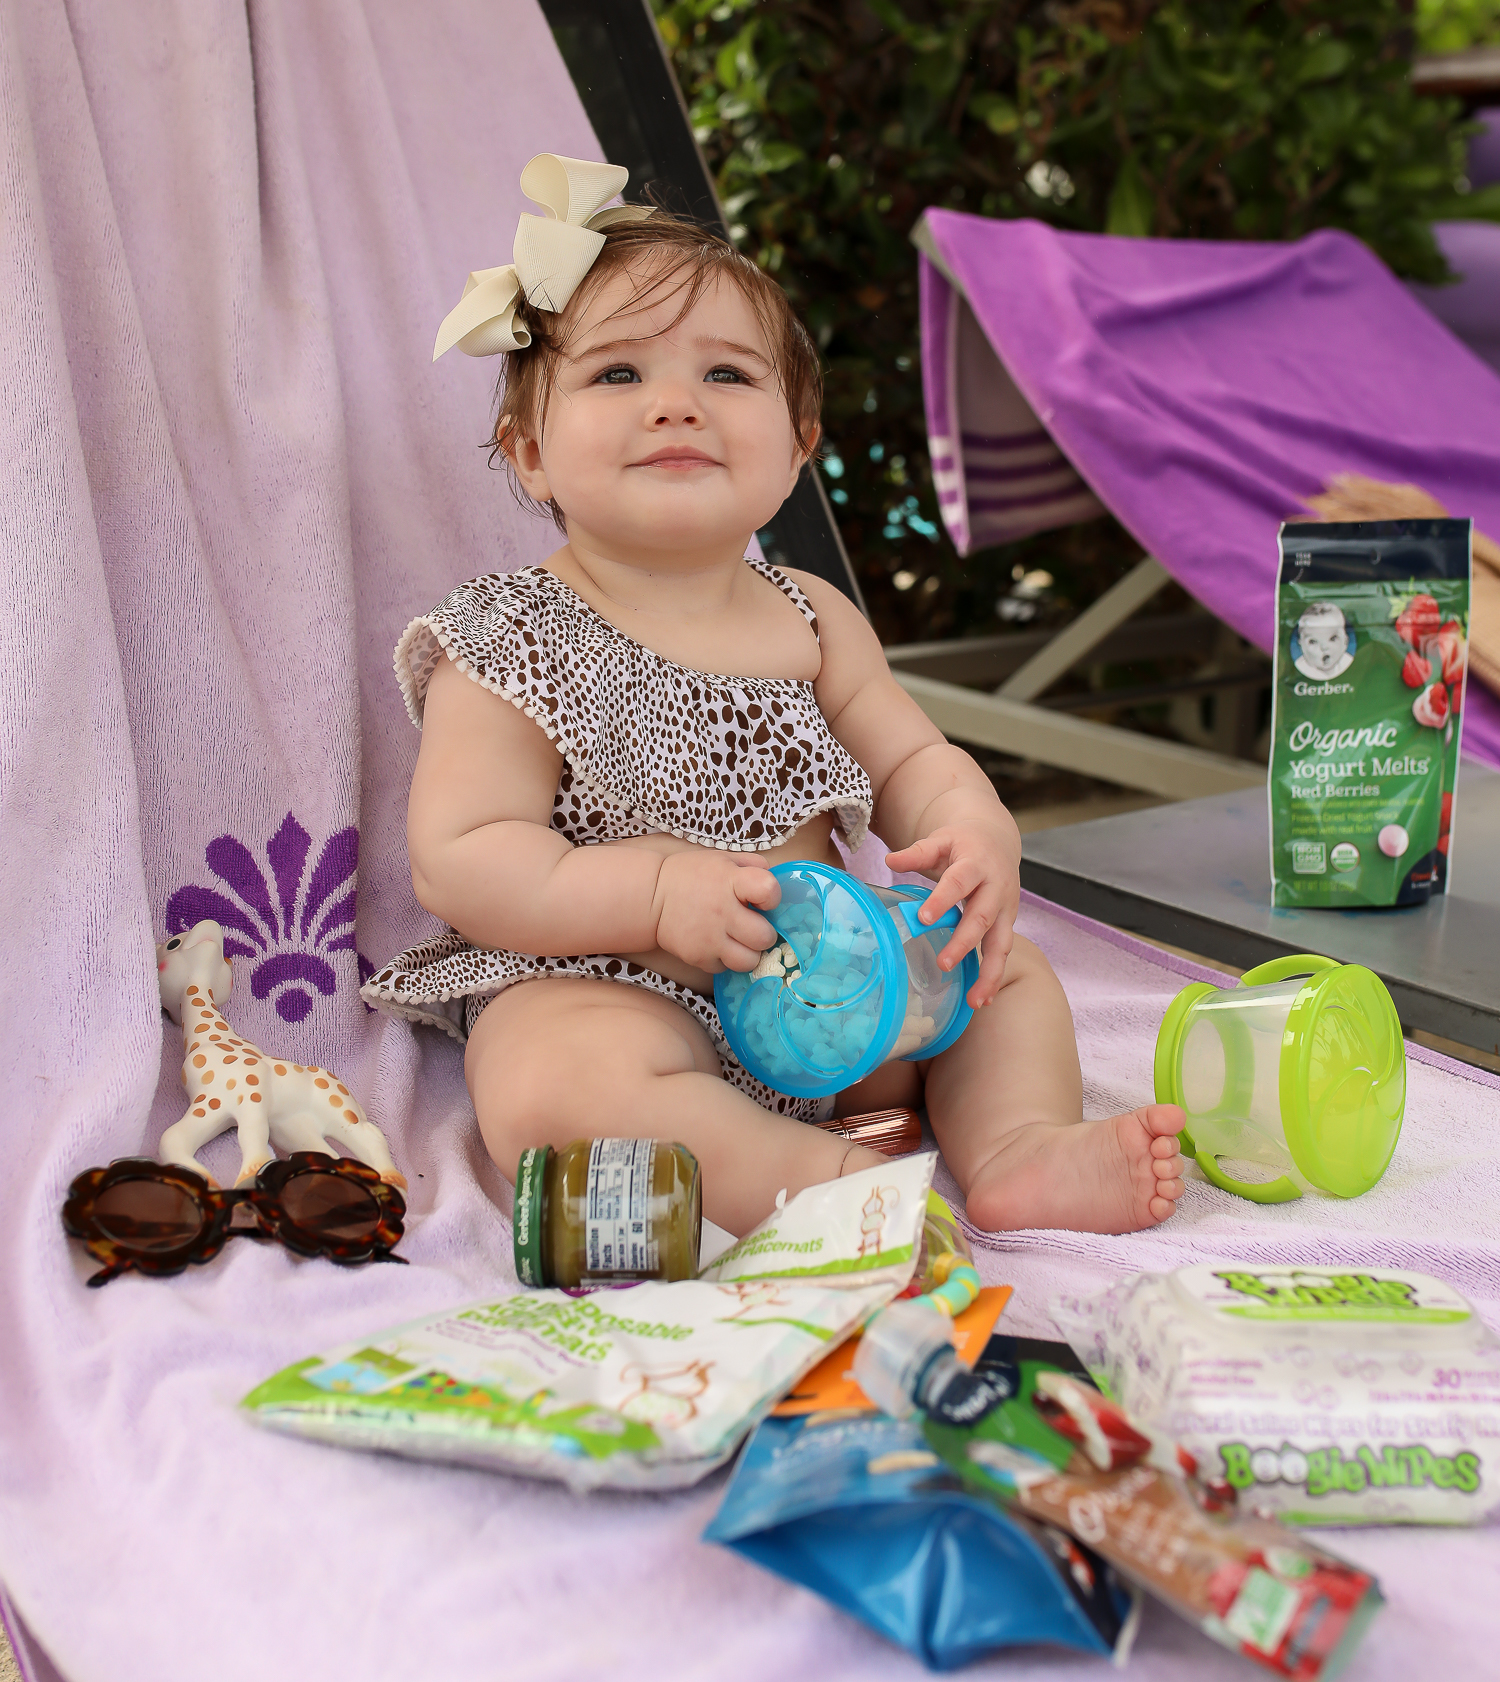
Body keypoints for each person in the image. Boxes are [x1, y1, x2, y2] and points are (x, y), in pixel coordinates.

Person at [364, 156, 1185, 1238]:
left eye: (728, 377)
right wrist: (656, 898)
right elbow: (462, 854)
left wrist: (972, 824)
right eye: (617, 375)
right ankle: (819, 1180)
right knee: (544, 1076)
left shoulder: (809, 616)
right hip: (625, 991)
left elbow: (910, 763)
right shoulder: (510, 634)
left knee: (1003, 970)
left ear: (798, 447)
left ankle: (1015, 1149)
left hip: (838, 991)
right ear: (530, 453)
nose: (674, 404)